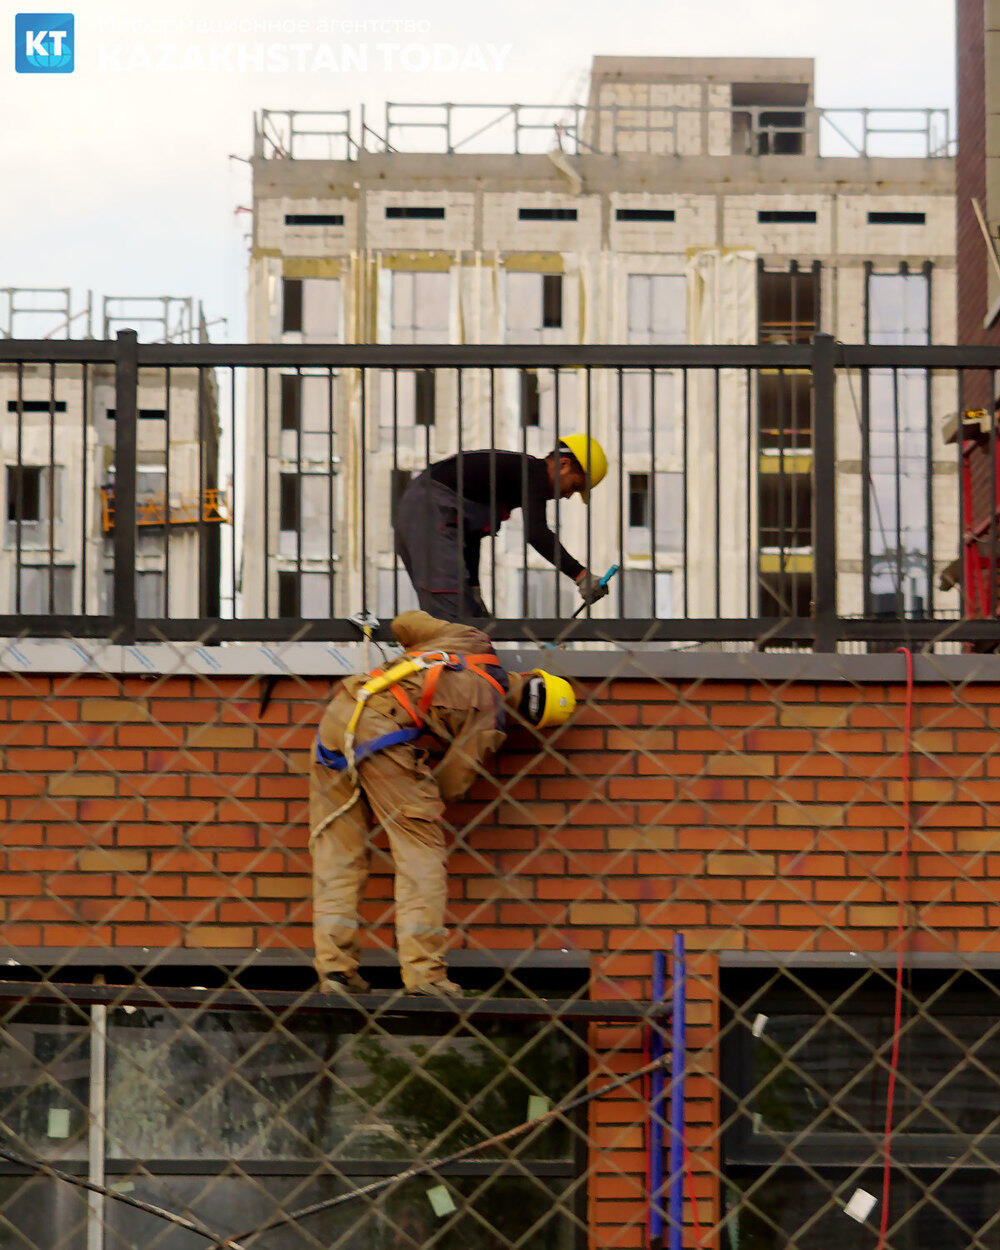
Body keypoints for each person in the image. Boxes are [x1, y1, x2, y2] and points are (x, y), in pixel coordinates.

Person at [309, 609, 575, 999]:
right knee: (422, 854)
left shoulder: (471, 640)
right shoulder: (492, 717)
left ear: (535, 675)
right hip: (385, 737)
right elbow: (454, 781)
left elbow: (405, 622)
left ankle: (336, 971)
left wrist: (418, 658)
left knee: (339, 853)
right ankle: (425, 975)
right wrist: (418, 792)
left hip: (340, 715)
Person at [394, 433, 610, 622]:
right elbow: (537, 534)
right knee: (451, 618)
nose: (569, 495)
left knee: (461, 612)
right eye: (574, 486)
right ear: (563, 464)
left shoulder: (514, 476)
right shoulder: (533, 473)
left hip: (423, 510)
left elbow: (469, 536)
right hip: (430, 511)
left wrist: (474, 590)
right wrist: (581, 576)